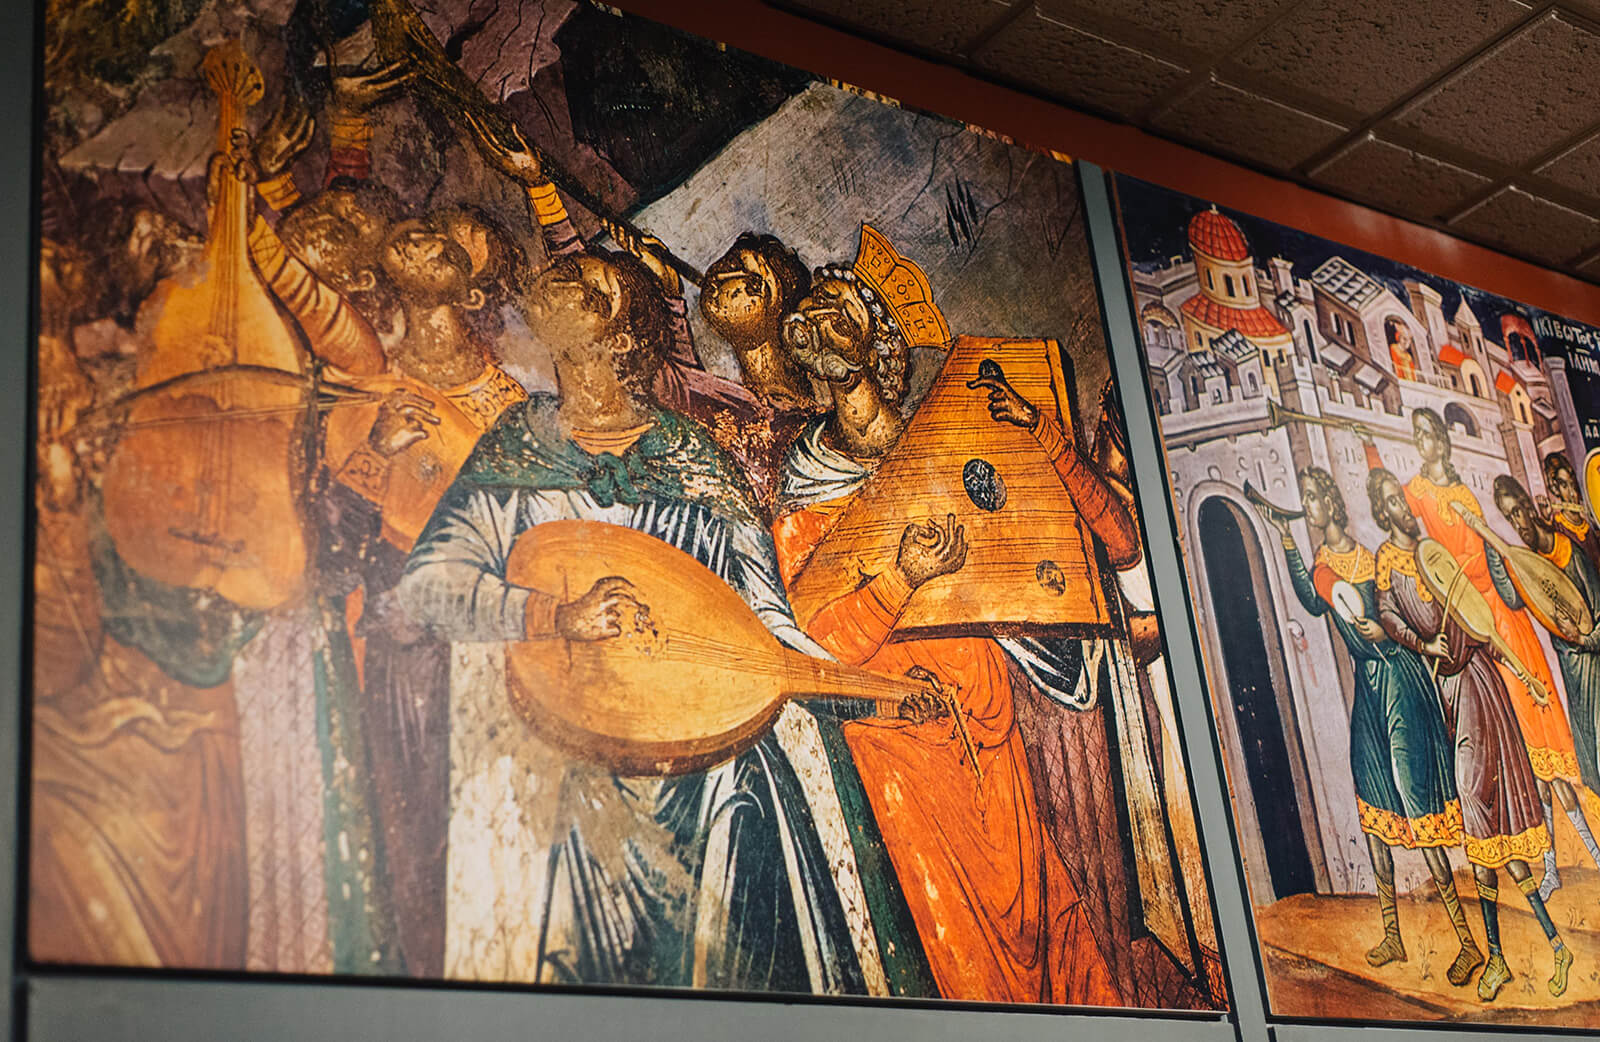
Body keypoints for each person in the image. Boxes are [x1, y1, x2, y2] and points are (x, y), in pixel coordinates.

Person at [396, 246, 885, 994]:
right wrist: (554, 615)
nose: (568, 275)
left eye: (592, 282)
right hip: (563, 736)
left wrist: (855, 687)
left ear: (624, 339)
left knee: (744, 800)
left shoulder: (698, 462)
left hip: (704, 749)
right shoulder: (517, 446)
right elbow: (428, 588)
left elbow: (767, 623)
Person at [770, 224, 1123, 1005]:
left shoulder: (952, 444)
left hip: (988, 714)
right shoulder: (805, 483)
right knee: (958, 947)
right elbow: (813, 639)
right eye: (815, 314)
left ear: (879, 340)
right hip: (898, 742)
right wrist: (901, 577)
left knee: (1043, 919)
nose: (826, 325)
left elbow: (1043, 554)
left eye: (843, 312)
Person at [1259, 467, 1477, 981]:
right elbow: (1311, 599)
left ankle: (1467, 942)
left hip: (1402, 678)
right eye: (1305, 497)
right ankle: (1393, 935)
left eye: (1314, 497)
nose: (1310, 505)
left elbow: (1395, 615)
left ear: (1332, 503)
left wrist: (1386, 633)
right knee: (1371, 788)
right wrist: (1288, 538)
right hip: (1370, 688)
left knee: (1414, 796)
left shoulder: (1370, 558)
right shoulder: (1322, 566)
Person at [1367, 409, 1590, 898]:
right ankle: (1549, 863)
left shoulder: (1465, 494)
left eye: (1430, 434)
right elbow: (1394, 509)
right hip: (1473, 623)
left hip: (1505, 619)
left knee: (1544, 735)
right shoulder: (1416, 493)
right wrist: (1369, 448)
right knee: (1521, 752)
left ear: (1443, 441)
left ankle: (1587, 849)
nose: (1424, 442)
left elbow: (1494, 557)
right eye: (1418, 435)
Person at [1369, 468, 1570, 1001]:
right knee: (1484, 821)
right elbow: (1388, 616)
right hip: (1450, 694)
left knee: (1477, 810)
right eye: (1390, 502)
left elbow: (1477, 622)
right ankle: (1549, 945)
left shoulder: (1434, 554)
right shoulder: (1389, 565)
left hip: (1478, 686)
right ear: (1381, 512)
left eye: (1400, 499)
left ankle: (1503, 956)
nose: (1400, 507)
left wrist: (1524, 676)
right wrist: (1422, 644)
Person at [1494, 475, 1600, 832]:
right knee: (1591, 766)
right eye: (1509, 517)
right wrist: (1496, 556)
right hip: (1574, 677)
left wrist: (1583, 639)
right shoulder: (1531, 563)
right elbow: (1514, 598)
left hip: (1595, 671)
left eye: (1518, 511)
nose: (1517, 523)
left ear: (1528, 506)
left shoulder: (1570, 553)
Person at [1543, 452, 1600, 570]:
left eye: (1573, 485)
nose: (1572, 493)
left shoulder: (1587, 525)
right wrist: (1547, 519)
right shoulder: (1558, 525)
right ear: (1556, 489)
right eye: (1564, 486)